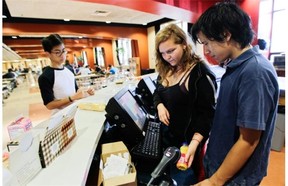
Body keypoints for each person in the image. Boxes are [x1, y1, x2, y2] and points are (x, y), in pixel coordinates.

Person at [191, 2, 279, 186]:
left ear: (226, 34)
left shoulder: (254, 72)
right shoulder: (236, 66)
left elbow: (248, 140)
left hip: (236, 177)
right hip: (222, 167)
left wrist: (215, 181)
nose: (206, 51)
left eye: (207, 43)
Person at [153, 23, 217, 185]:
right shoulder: (167, 68)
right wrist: (159, 105)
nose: (167, 57)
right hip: (168, 139)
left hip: (187, 143)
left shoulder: (200, 74)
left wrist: (194, 145)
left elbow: (207, 115)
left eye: (171, 51)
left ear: (184, 44)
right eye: (163, 53)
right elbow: (157, 92)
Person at [38, 34, 95, 113]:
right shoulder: (45, 76)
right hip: (61, 116)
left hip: (76, 110)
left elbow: (75, 89)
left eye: (63, 51)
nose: (63, 55)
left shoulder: (69, 69)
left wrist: (85, 90)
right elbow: (49, 105)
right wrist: (72, 98)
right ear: (48, 54)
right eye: (57, 52)